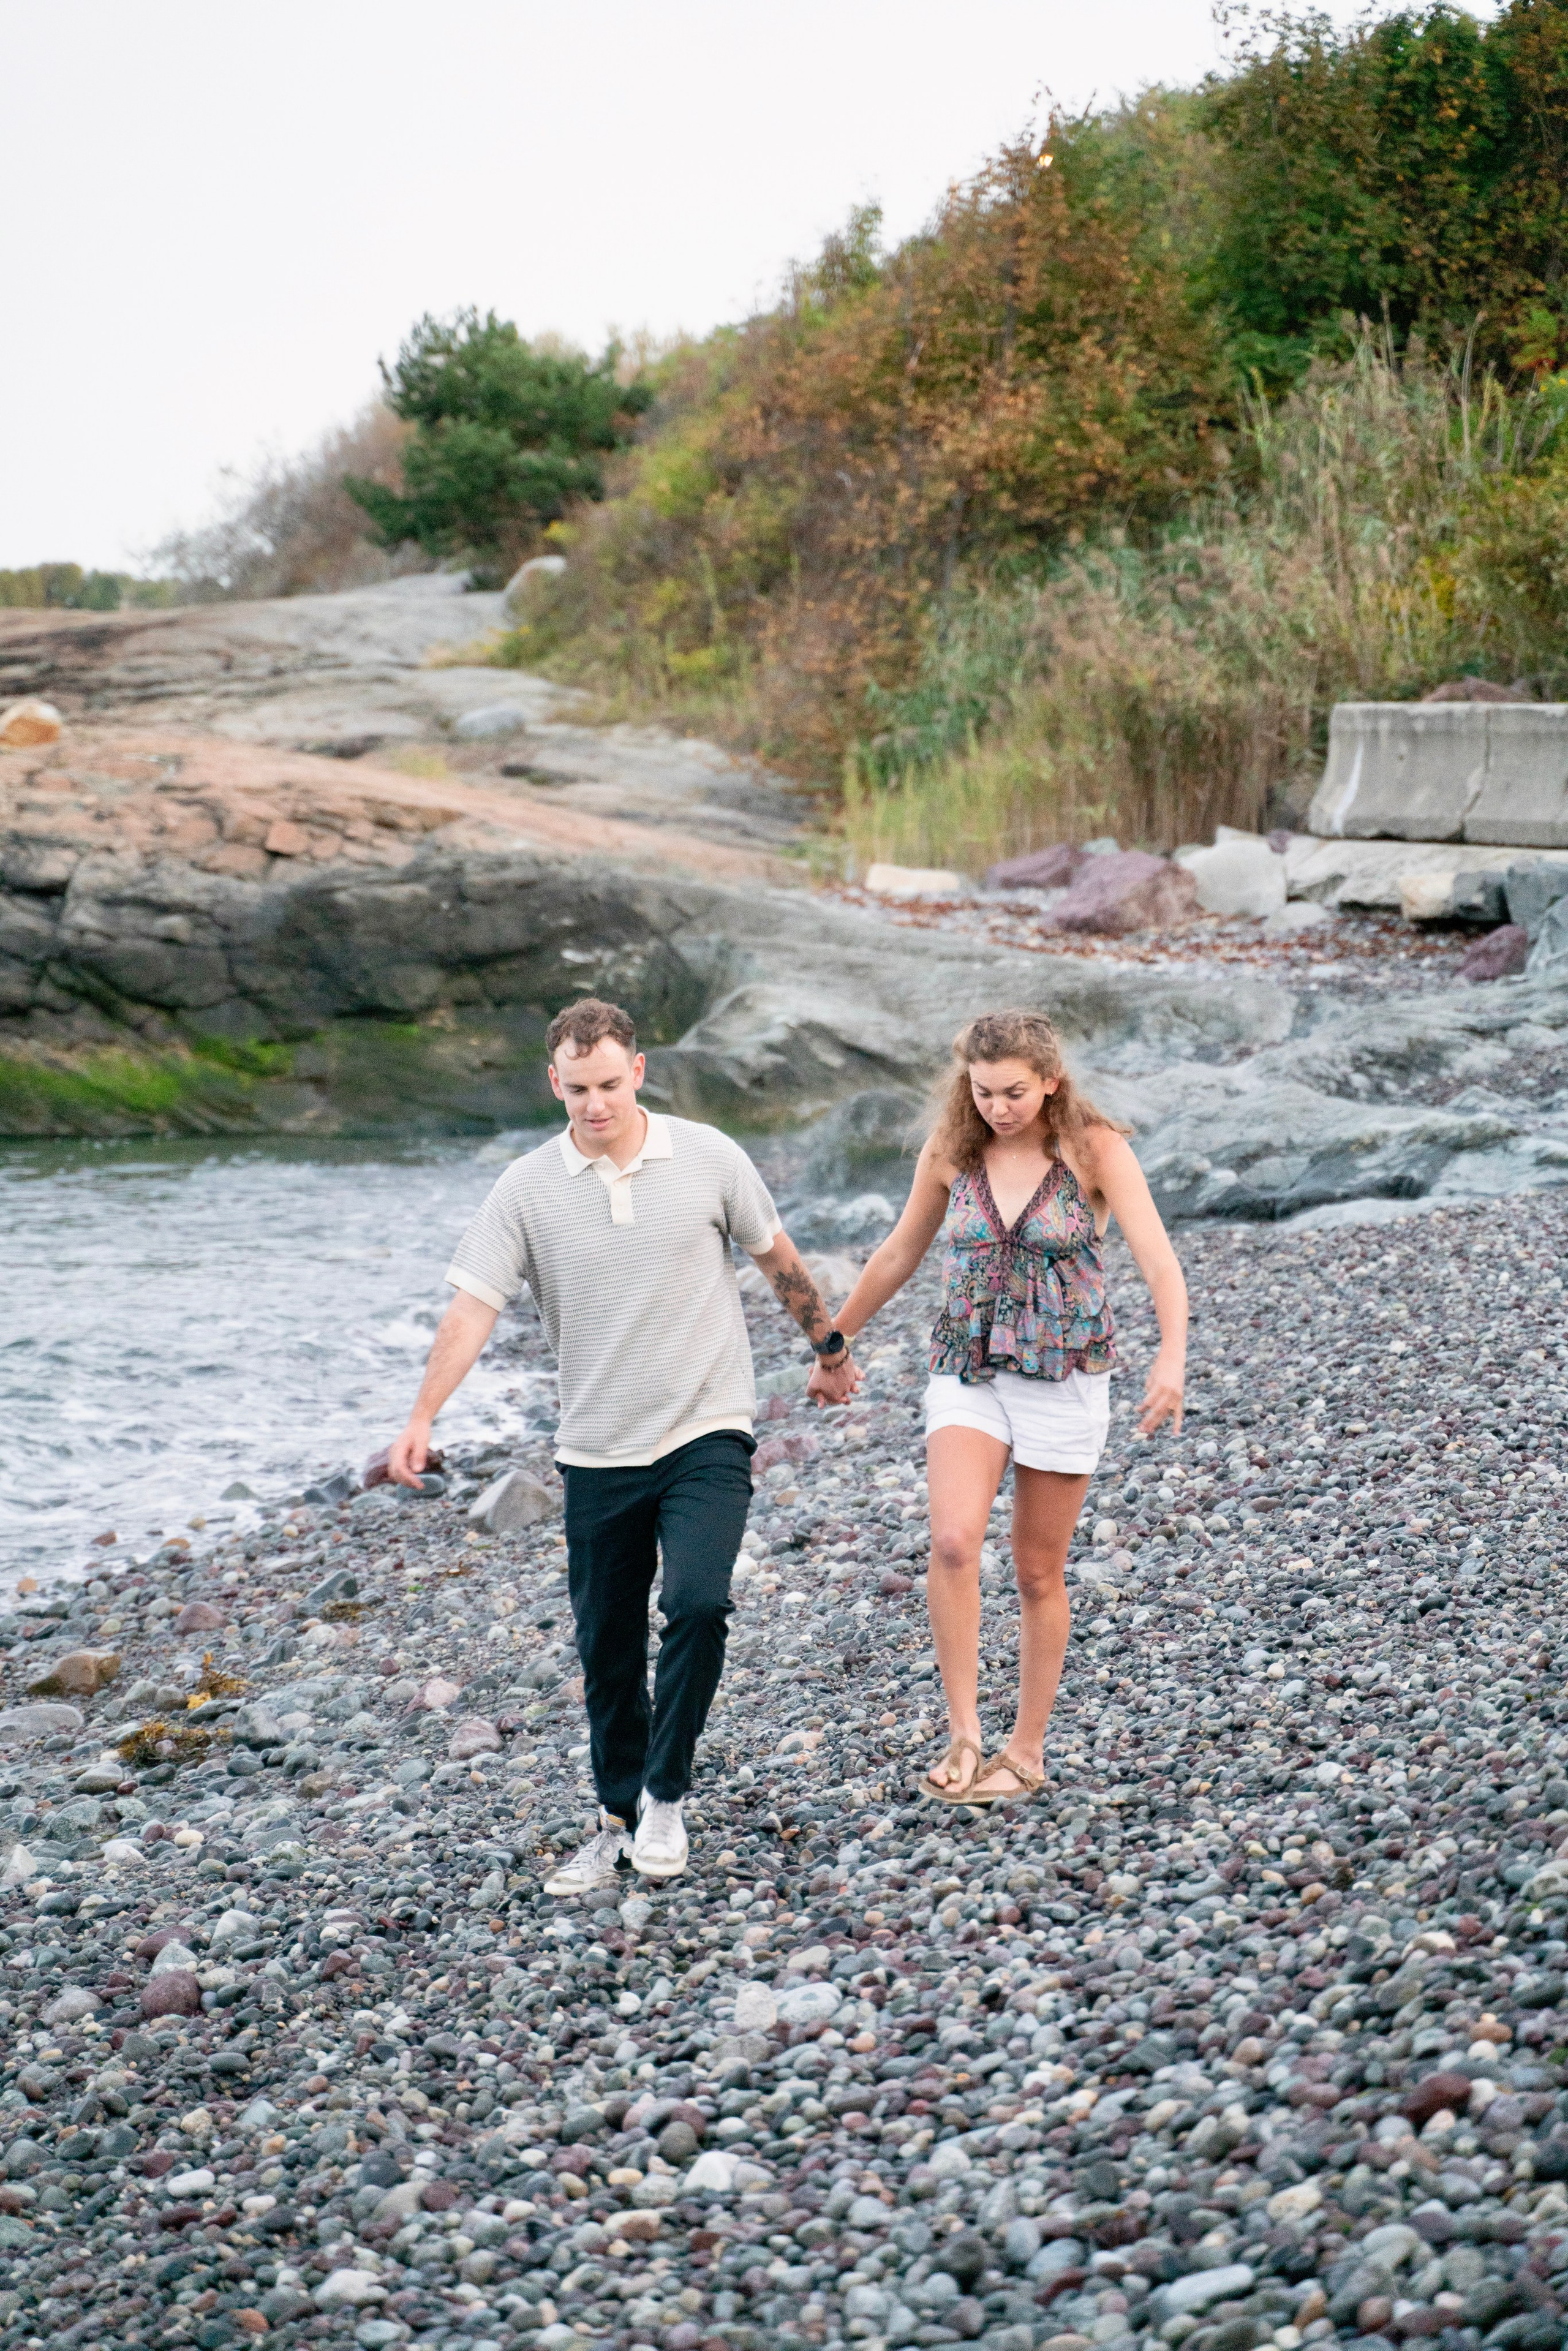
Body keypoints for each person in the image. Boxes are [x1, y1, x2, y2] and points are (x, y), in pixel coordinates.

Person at [386, 997, 858, 1891]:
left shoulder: (710, 1156)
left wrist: (828, 1349)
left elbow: (777, 1256)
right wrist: (422, 1417)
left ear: (638, 1071)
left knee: (698, 1603)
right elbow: (473, 1306)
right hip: (597, 1449)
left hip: (706, 1427)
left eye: (609, 1084)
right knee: (607, 1648)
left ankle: (666, 1797)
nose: (595, 1104)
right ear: (553, 1083)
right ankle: (616, 1820)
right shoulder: (525, 1188)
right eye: (578, 1089)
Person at [814, 1008, 1186, 1806]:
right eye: (983, 1091)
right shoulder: (953, 1149)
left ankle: (1026, 1751)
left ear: (1051, 1081)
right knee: (953, 1542)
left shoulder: (1094, 1149)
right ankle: (964, 1733)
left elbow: (1158, 1259)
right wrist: (833, 1341)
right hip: (968, 1368)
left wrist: (1172, 1356)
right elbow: (899, 1252)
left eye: (1014, 1092)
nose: (997, 1107)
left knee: (1037, 1572)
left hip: (1064, 1376)